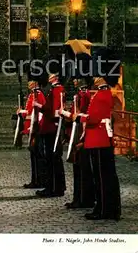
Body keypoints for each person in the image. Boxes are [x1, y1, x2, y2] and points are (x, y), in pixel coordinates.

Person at [75, 48, 121, 221]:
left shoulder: (102, 95)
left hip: (99, 140)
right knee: (101, 177)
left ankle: (104, 210)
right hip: (97, 140)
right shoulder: (101, 93)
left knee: (102, 178)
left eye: (95, 75)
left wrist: (79, 116)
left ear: (101, 76)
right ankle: (103, 207)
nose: (93, 78)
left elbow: (94, 118)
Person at [60, 53, 95, 209]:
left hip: (82, 135)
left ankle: (84, 199)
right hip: (76, 133)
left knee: (83, 169)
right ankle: (79, 197)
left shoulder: (85, 95)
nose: (74, 80)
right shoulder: (80, 94)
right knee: (78, 168)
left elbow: (82, 117)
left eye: (76, 78)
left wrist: (66, 114)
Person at [34, 57, 66, 197]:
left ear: (54, 76)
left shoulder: (57, 89)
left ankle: (54, 187)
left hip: (52, 127)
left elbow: (52, 110)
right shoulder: (53, 89)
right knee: (51, 158)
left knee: (53, 158)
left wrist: (39, 106)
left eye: (50, 74)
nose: (48, 76)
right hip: (49, 127)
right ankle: (53, 186)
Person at [18, 70, 46, 189]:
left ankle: (40, 180)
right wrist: (22, 111)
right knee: (33, 155)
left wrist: (34, 127)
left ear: (35, 82)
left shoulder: (38, 94)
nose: (29, 83)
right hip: (30, 128)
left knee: (38, 155)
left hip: (36, 129)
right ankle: (35, 179)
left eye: (31, 81)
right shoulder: (31, 95)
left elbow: (41, 113)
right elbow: (30, 112)